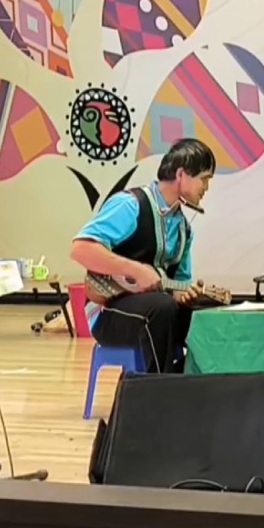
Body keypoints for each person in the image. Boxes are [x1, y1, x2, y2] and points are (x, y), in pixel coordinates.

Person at [70, 138, 215, 373]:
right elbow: (80, 249)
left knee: (206, 314)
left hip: (157, 306)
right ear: (181, 174)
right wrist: (135, 270)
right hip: (109, 312)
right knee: (162, 308)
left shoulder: (184, 229)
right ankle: (156, 388)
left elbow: (179, 284)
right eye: (204, 178)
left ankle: (189, 382)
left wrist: (186, 295)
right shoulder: (130, 205)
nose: (206, 187)